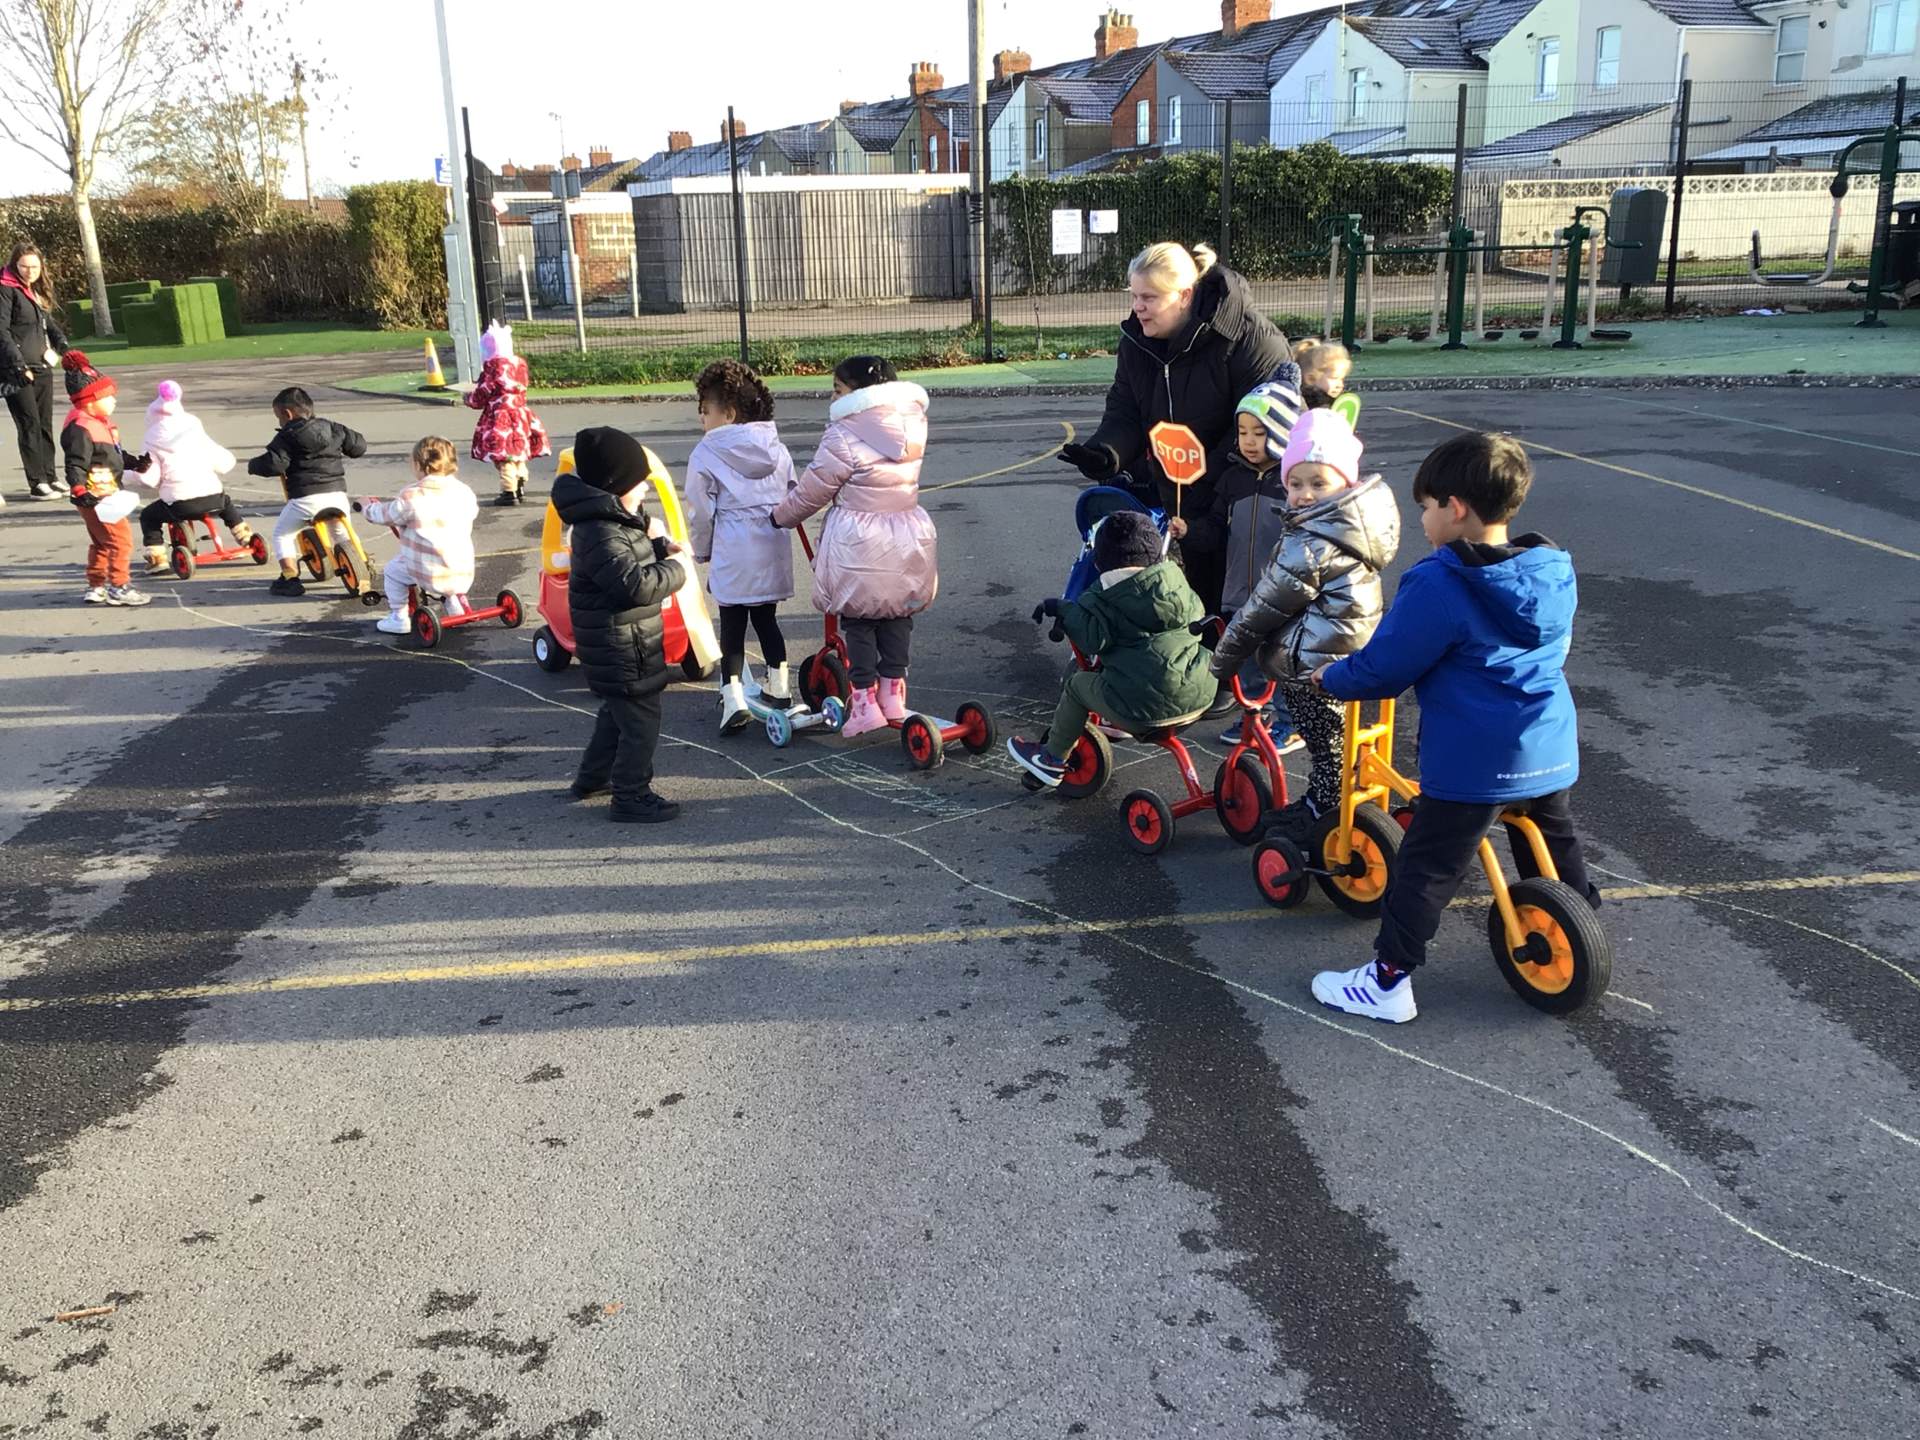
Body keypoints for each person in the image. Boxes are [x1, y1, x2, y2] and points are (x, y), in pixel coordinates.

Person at [1307, 431, 1600, 1025]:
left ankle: (1387, 981)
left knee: (1427, 865)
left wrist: (1331, 678)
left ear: (1456, 507)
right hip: (1547, 743)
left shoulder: (1440, 581)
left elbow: (1388, 667)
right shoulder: (1549, 568)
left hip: (1474, 761)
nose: (1423, 519)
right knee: (1550, 836)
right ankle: (1578, 923)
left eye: (1426, 506)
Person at [1057, 241, 1291, 626]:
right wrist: (1106, 452)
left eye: (1149, 297)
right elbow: (1126, 408)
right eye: (1134, 295)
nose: (1137, 307)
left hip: (1241, 497)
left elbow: (1265, 425)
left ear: (1184, 295)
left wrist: (1204, 474)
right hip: (1180, 494)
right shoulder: (1137, 341)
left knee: (1241, 604)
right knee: (1193, 606)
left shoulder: (1250, 339)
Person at [1209, 408, 1399, 840]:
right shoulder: (1352, 529)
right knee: (1340, 740)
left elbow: (1263, 607)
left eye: (1318, 483)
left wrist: (1223, 659)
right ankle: (1335, 800)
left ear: (1345, 483)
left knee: (1324, 742)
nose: (1305, 495)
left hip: (1315, 665)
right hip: (1348, 653)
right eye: (1295, 484)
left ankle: (1322, 815)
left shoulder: (1312, 543)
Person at [771, 356, 937, 738]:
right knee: (897, 613)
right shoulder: (913, 424)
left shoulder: (843, 433)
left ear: (859, 395)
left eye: (838, 390)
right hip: (907, 533)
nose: (833, 398)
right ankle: (892, 695)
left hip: (860, 541)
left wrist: (781, 515)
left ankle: (863, 703)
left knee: (860, 619)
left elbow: (814, 490)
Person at [1006, 510, 1215, 788]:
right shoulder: (1178, 584)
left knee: (1078, 685)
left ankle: (1052, 758)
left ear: (1101, 561)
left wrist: (1063, 609)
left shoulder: (1102, 598)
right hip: (1201, 694)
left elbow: (1092, 640)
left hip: (1144, 710)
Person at [553, 426, 690, 823]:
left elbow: (630, 558)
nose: (645, 489)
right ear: (615, 487)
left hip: (623, 642)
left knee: (617, 716)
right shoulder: (600, 531)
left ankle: (592, 778)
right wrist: (676, 568)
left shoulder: (612, 521)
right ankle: (631, 794)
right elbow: (634, 585)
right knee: (641, 722)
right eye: (638, 483)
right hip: (622, 647)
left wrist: (660, 546)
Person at [1179, 380, 1309, 750]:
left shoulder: (1292, 483)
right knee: (1249, 658)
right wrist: (1189, 531)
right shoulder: (1233, 479)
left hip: (1282, 593)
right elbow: (1215, 529)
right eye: (1243, 431)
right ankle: (1255, 714)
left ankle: (1290, 722)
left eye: (1260, 432)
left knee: (1281, 657)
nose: (1249, 441)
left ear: (1282, 432)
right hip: (1240, 590)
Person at [685, 359, 798, 733]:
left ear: (729, 414)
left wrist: (702, 549)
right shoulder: (776, 448)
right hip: (772, 542)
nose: (701, 419)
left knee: (732, 627)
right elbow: (793, 493)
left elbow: (700, 511)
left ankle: (732, 699)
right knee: (767, 619)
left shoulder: (706, 452)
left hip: (734, 545)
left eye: (706, 411)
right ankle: (780, 687)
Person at [247, 386, 368, 597]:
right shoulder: (333, 428)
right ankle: (362, 563)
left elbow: (275, 464)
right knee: (339, 532)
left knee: (283, 534)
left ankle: (290, 577)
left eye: (278, 417)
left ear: (287, 414)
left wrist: (253, 465)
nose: (279, 422)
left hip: (306, 499)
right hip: (337, 495)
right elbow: (358, 447)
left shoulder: (287, 436)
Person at [362, 436, 479, 636]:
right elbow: (472, 513)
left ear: (418, 465)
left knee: (393, 571)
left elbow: (386, 515)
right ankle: (455, 603)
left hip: (429, 571)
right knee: (444, 552)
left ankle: (398, 617)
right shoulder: (464, 491)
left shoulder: (411, 496)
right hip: (462, 569)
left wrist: (367, 508)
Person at [59, 352, 151, 606]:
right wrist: (79, 489)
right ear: (91, 401)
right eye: (108, 397)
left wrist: (134, 462)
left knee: (101, 542)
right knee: (121, 541)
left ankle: (96, 585)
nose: (114, 401)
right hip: (97, 496)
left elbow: (111, 455)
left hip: (104, 493)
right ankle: (119, 586)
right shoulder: (81, 427)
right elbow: (75, 462)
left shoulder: (99, 423)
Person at [132, 380, 252, 574]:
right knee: (225, 502)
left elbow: (149, 478)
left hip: (180, 503)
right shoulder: (194, 428)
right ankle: (245, 536)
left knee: (149, 516)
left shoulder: (152, 436)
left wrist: (129, 476)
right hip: (212, 496)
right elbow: (222, 461)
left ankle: (157, 558)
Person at [2, 243, 69, 501]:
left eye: (34, 267)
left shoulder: (33, 290)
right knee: (29, 424)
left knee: (44, 424)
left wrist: (63, 345)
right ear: (15, 265)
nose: (30, 271)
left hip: (42, 366)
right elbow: (2, 331)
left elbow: (47, 324)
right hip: (17, 370)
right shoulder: (6, 289)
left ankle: (50, 476)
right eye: (24, 266)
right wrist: (18, 365)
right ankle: (37, 482)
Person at [467, 321, 550, 506]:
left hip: (499, 417)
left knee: (503, 456)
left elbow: (481, 395)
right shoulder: (519, 366)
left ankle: (509, 491)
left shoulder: (492, 368)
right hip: (520, 414)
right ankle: (520, 483)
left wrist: (468, 397)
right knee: (517, 451)